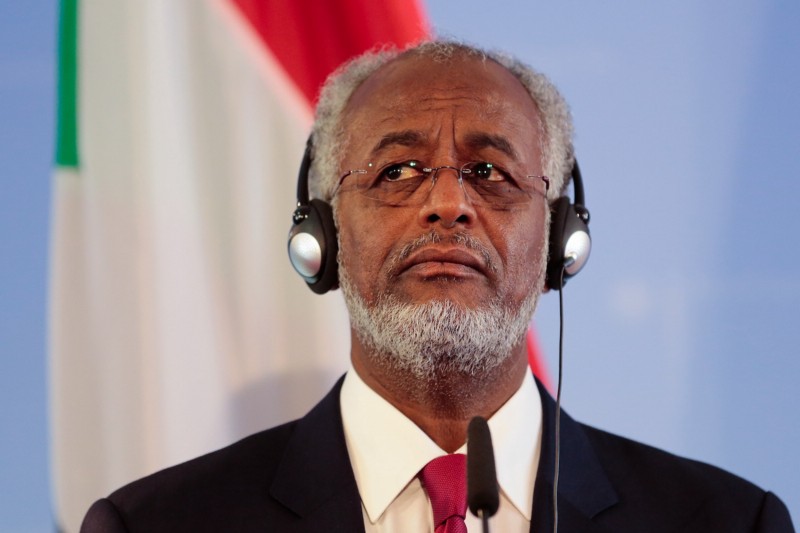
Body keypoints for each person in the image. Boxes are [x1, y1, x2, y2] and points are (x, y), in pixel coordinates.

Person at [80, 40, 795, 532]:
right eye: (396, 172)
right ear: (322, 237)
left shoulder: (727, 521)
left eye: (490, 172)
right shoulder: (157, 524)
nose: (447, 202)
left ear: (557, 239)